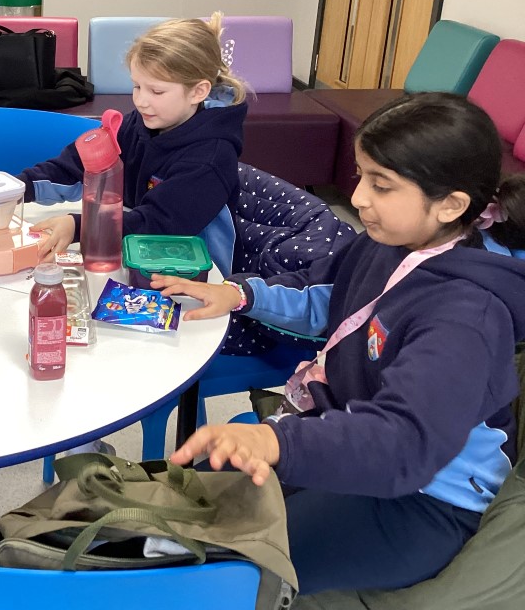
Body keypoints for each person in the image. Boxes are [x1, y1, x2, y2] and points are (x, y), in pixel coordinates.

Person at [152, 92, 525, 595]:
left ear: (451, 205)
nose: (359, 198)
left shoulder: (467, 317)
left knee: (234, 565)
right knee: (195, 501)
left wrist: (278, 441)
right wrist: (239, 294)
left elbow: (404, 440)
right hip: (350, 434)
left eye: (381, 185)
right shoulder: (392, 241)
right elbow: (328, 296)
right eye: (361, 175)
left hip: (424, 499)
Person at [17, 13, 248, 275]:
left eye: (156, 91)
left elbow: (159, 225)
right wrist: (20, 188)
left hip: (196, 276)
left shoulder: (210, 159)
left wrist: (79, 227)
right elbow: (78, 167)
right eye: (137, 86)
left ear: (198, 92)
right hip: (136, 254)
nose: (140, 101)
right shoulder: (141, 121)